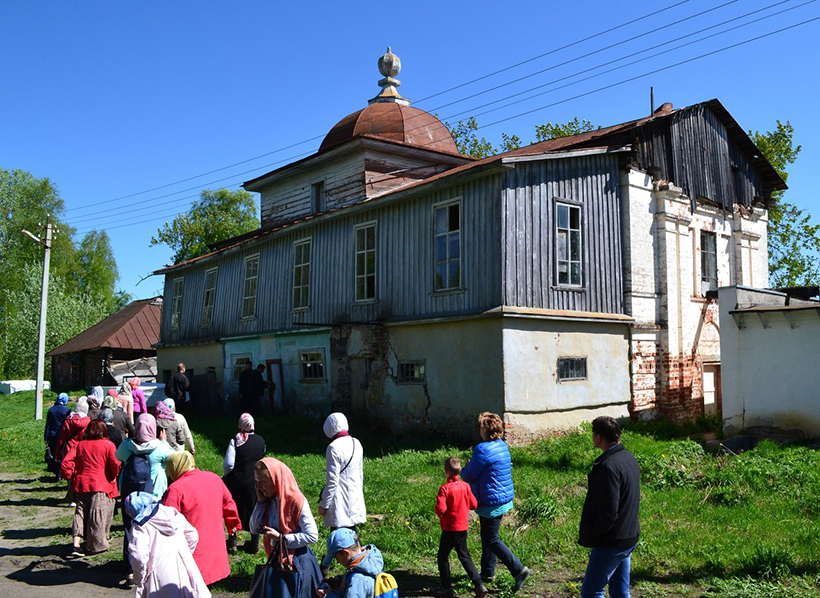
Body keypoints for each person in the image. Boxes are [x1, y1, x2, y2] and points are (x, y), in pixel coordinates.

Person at [460, 412, 529, 593]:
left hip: (490, 500)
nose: (480, 430)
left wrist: (465, 467)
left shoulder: (482, 449)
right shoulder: (502, 446)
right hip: (502, 498)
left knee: (491, 539)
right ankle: (488, 572)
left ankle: (518, 570)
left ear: (486, 430)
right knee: (488, 536)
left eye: (481, 427)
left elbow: (469, 475)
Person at [578, 416, 641, 598]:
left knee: (591, 592)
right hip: (629, 535)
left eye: (593, 434)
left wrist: (592, 534)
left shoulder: (608, 466)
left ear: (598, 437)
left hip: (611, 541)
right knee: (620, 592)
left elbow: (608, 512)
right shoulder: (629, 458)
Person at [163, 451, 241, 586]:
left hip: (191, 551)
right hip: (215, 547)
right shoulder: (214, 478)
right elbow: (229, 503)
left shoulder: (175, 489)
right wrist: (232, 524)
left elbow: (165, 522)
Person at [115, 413, 174, 588]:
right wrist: (163, 441)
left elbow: (118, 457)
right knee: (152, 533)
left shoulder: (127, 446)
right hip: (153, 497)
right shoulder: (160, 448)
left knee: (130, 531)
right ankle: (151, 569)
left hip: (129, 497)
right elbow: (174, 458)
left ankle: (129, 571)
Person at [250, 457, 322, 598]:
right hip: (276, 559)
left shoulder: (296, 501)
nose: (259, 487)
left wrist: (281, 538)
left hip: (298, 562)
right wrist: (260, 502)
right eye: (256, 482)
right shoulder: (267, 500)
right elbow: (253, 528)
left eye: (263, 482)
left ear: (277, 480)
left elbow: (312, 535)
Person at [125, 492, 211, 598]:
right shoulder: (173, 514)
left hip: (157, 573)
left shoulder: (140, 526)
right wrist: (185, 554)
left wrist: (139, 578)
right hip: (184, 566)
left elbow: (138, 556)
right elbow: (192, 535)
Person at [60, 419, 121, 557]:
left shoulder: (80, 445)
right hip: (100, 483)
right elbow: (115, 464)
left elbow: (66, 462)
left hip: (81, 484)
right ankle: (96, 544)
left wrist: (69, 475)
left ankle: (76, 544)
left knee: (80, 513)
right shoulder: (108, 445)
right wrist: (112, 475)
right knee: (97, 514)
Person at [435, 457, 486, 598]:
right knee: (465, 556)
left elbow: (441, 508)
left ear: (446, 472)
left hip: (449, 529)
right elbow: (474, 504)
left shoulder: (445, 489)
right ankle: (479, 584)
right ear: (459, 471)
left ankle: (446, 587)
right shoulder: (466, 486)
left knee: (442, 556)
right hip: (462, 528)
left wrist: (440, 512)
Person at [223, 413, 266, 554]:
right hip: (255, 482)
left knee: (233, 508)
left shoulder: (236, 440)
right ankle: (254, 542)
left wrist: (227, 477)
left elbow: (229, 464)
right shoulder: (261, 441)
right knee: (255, 508)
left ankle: (233, 540)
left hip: (238, 482)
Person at [319, 413, 366, 532]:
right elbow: (360, 474)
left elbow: (332, 481)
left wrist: (324, 504)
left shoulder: (333, 447)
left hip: (340, 502)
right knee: (352, 537)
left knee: (339, 540)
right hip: (355, 497)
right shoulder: (357, 443)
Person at [317, 528, 388, 598]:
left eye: (337, 558)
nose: (338, 562)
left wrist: (328, 595)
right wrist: (340, 581)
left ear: (346, 553)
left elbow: (357, 586)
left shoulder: (356, 579)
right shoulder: (369, 562)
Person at [55, 397, 91, 474]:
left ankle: (69, 484)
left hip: (69, 447)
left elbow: (62, 438)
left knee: (70, 467)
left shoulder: (68, 420)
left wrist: (57, 452)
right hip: (83, 448)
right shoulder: (88, 422)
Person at [44, 393, 72, 474]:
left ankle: (53, 470)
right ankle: (59, 473)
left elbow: (48, 425)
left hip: (52, 435)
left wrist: (46, 437)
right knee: (61, 454)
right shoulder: (67, 410)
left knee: (52, 453)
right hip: (62, 435)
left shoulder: (51, 410)